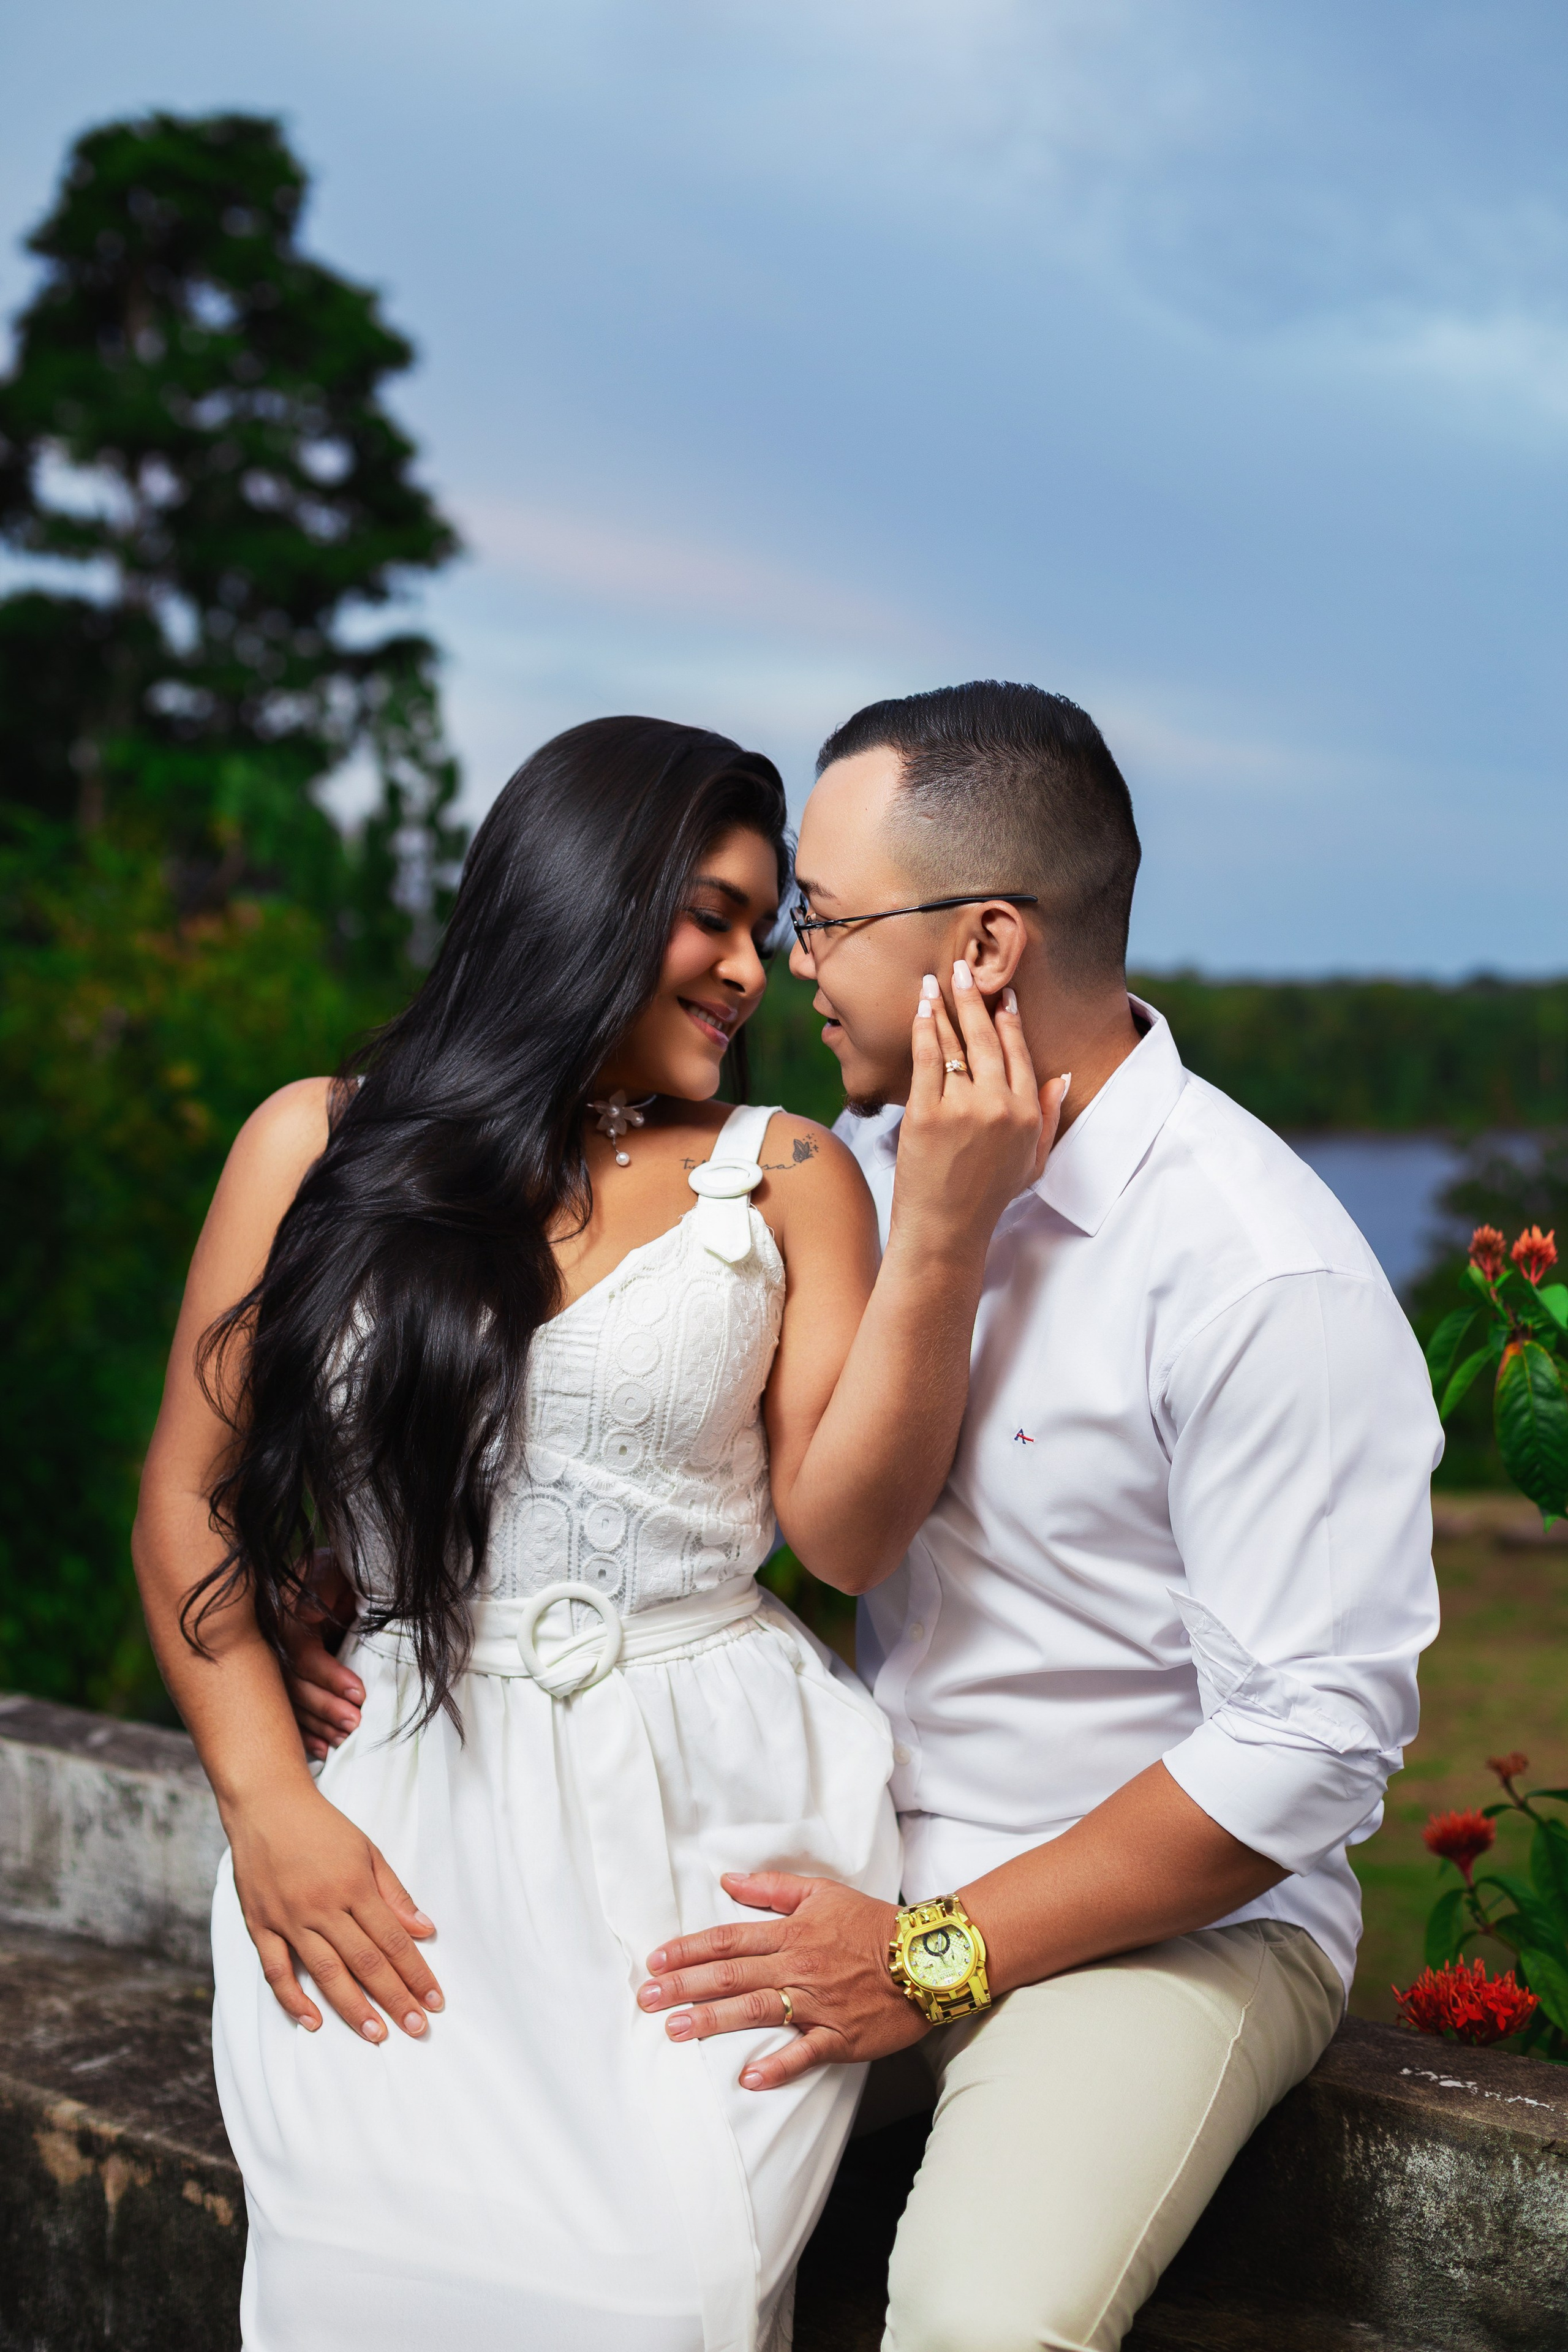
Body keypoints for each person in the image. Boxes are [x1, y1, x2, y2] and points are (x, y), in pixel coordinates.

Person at [132, 714, 1064, 2352]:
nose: (749, 970)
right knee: (359, 2284)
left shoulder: (783, 1177)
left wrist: (942, 1241)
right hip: (403, 1805)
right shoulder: (314, 1143)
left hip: (702, 1821)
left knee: (657, 2297)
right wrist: (267, 1803)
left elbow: (842, 1543)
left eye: (767, 930)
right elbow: (186, 1500)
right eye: (709, 913)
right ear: (579, 890)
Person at [632, 684, 1444, 2352]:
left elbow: (1314, 1737)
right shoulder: (856, 1174)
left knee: (976, 2321)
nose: (794, 960)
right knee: (573, 2178)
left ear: (984, 945)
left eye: (826, 919)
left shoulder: (1255, 1264)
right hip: (868, 1846)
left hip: (1168, 1928)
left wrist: (932, 1958)